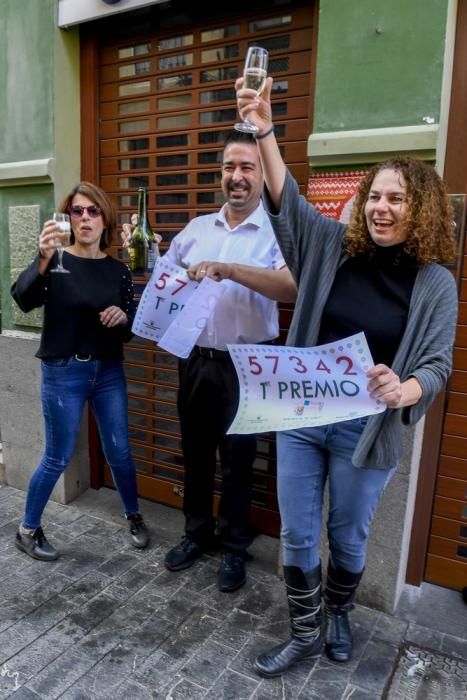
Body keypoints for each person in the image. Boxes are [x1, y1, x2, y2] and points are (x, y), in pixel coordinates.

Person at [236, 78, 458, 675]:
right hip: (303, 413)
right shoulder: (333, 245)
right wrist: (264, 129)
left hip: (368, 427)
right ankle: (306, 632)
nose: (381, 209)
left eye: (397, 199)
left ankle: (338, 613)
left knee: (349, 536)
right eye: (374, 197)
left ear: (422, 209)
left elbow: (438, 364)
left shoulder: (436, 283)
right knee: (298, 532)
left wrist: (405, 388)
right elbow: (288, 204)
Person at [124, 130, 296, 592]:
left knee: (240, 460)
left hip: (248, 363)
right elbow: (164, 275)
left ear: (262, 173)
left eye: (246, 167)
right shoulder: (198, 228)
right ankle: (196, 534)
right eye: (228, 167)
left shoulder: (278, 232)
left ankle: (234, 547)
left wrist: (230, 269)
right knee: (196, 454)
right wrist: (146, 251)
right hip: (196, 360)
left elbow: (291, 288)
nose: (236, 177)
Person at [11, 182, 149, 562]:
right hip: (63, 373)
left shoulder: (118, 270)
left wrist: (123, 317)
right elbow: (22, 299)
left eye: (93, 211)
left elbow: (130, 329)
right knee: (57, 456)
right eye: (77, 211)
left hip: (107, 372)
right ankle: (27, 530)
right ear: (68, 217)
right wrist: (40, 257)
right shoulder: (55, 262)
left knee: (119, 451)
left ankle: (133, 515)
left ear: (105, 219)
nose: (85, 218)